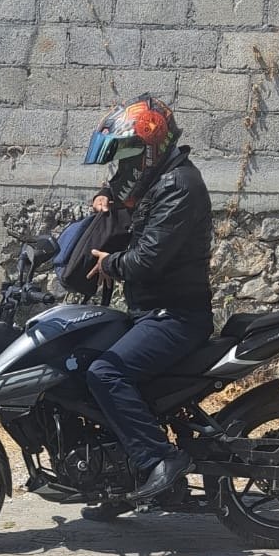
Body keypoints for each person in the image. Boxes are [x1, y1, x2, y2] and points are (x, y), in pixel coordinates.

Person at [80, 95, 213, 520]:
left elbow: (147, 258)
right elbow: (128, 191)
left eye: (125, 157)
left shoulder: (179, 187)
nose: (119, 168)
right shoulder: (160, 180)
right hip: (151, 311)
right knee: (82, 363)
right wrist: (105, 195)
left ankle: (159, 460)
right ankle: (122, 483)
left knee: (106, 372)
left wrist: (109, 263)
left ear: (149, 151)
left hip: (177, 316)